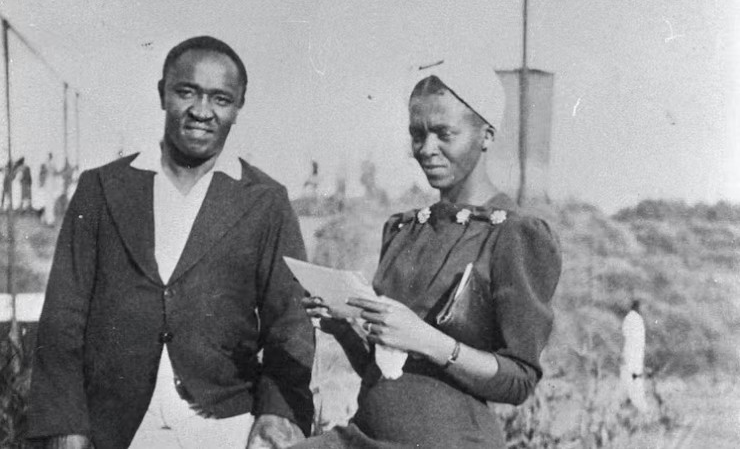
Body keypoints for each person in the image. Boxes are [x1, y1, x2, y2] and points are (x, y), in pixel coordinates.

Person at [27, 36, 314, 449]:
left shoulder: (265, 199)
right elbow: (63, 317)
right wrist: (66, 423)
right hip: (116, 428)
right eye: (186, 92)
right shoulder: (103, 187)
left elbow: (290, 323)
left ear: (238, 107)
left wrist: (277, 411)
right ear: (162, 93)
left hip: (225, 424)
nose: (202, 111)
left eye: (220, 99)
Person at [296, 57, 562, 448]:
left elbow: (519, 381)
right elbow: (387, 368)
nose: (426, 149)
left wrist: (426, 339)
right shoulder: (404, 229)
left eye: (443, 133)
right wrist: (343, 327)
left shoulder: (514, 234)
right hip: (364, 435)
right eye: (417, 134)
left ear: (485, 136)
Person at [619, 299, 649, 412]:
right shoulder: (633, 318)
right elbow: (627, 338)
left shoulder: (633, 318)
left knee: (632, 378)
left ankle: (631, 404)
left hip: (634, 355)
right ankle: (636, 405)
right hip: (631, 356)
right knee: (633, 379)